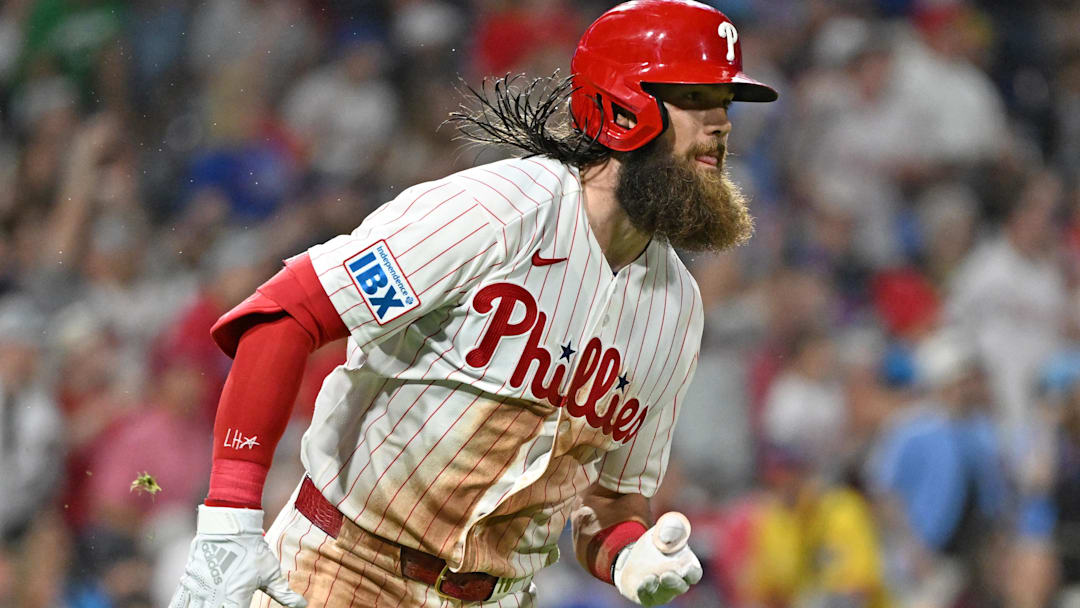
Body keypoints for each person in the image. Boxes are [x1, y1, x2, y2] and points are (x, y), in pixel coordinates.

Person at [168, 1, 778, 606]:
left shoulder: (677, 315)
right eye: (696, 98)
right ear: (624, 105)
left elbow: (613, 500)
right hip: (343, 569)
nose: (721, 124)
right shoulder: (498, 212)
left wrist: (627, 554)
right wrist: (230, 515)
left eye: (725, 103)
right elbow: (286, 313)